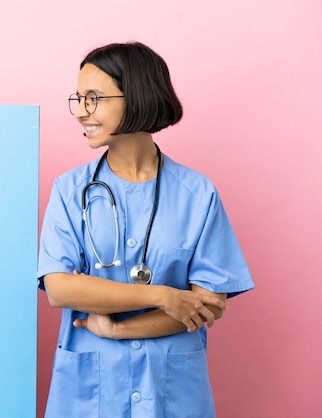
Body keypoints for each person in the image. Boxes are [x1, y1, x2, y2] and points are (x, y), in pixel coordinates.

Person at [37, 41, 254, 418]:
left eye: (94, 98)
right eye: (79, 99)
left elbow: (208, 305)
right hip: (91, 397)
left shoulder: (197, 194)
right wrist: (167, 297)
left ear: (135, 99)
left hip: (172, 395)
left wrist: (119, 330)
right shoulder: (70, 192)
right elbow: (60, 288)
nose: (81, 112)